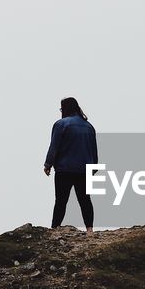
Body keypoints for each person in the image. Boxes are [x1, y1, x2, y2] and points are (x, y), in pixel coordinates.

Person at [44, 97, 98, 233]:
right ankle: (90, 230)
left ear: (65, 109)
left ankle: (55, 228)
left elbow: (54, 146)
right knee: (85, 200)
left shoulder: (61, 124)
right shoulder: (89, 126)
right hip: (84, 170)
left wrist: (48, 164)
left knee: (61, 201)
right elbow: (93, 149)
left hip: (65, 169)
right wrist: (94, 168)